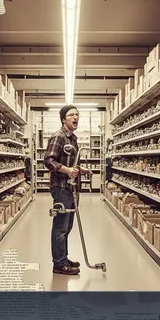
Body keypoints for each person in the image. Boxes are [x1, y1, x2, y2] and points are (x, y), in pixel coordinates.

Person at [43, 104, 92, 275]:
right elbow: (48, 161)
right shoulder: (58, 137)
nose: (75, 117)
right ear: (64, 119)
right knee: (60, 227)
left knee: (68, 226)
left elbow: (71, 162)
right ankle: (59, 264)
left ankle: (63, 257)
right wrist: (67, 170)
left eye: (77, 115)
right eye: (71, 115)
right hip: (61, 188)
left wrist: (80, 170)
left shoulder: (73, 139)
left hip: (72, 189)